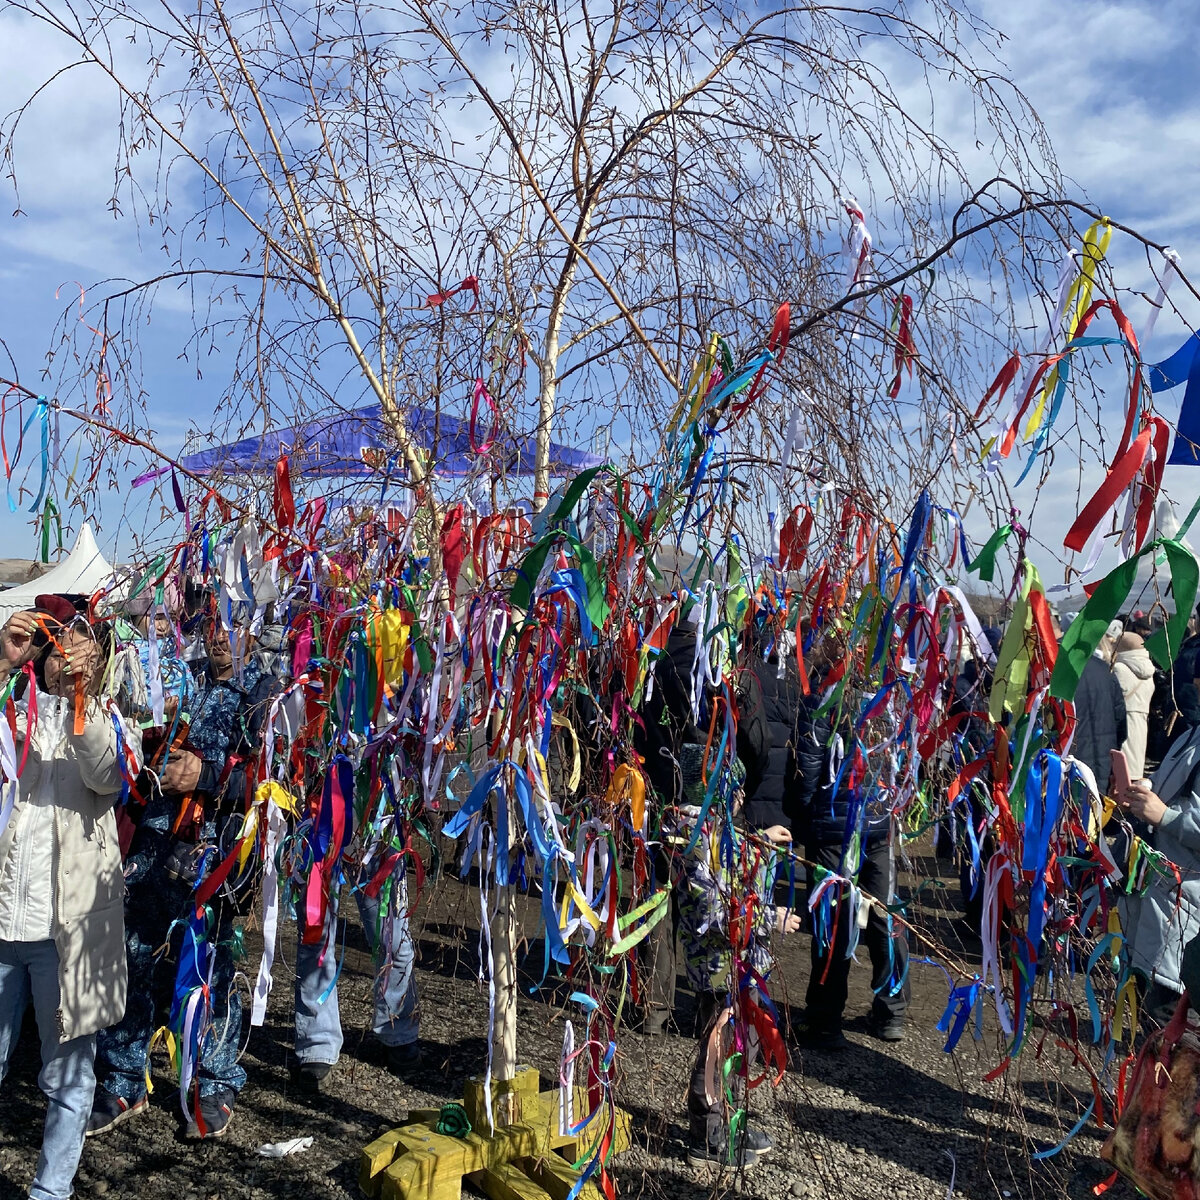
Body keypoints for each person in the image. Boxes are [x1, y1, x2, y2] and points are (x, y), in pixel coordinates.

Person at [90, 613, 276, 1140]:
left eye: (233, 621)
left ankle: (214, 1081)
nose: (220, 634)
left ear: (253, 626)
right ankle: (124, 1075)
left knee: (209, 962)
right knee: (132, 951)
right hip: (154, 846)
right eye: (213, 621)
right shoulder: (178, 676)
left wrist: (208, 776)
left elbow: (277, 779)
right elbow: (138, 739)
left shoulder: (264, 694)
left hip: (216, 856)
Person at [0, 598, 142, 1200]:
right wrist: (4, 658)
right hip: (4, 922)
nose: (62, 653)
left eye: (78, 642)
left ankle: (49, 1192)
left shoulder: (110, 716)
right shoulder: (10, 706)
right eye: (54, 638)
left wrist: (82, 693)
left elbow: (107, 777)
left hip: (68, 932)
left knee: (66, 1077)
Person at [786, 641, 909, 1047]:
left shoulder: (824, 692)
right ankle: (891, 1010)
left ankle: (825, 1019)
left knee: (833, 921)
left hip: (835, 825)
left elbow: (807, 761)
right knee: (883, 913)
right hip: (879, 819)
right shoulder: (893, 692)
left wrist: (804, 816)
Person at [1116, 713, 1200, 1032]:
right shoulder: (1190, 735)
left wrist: (1164, 816)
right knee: (1153, 1024)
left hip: (1186, 917)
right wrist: (1146, 790)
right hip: (1159, 904)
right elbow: (1181, 787)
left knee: (1172, 1032)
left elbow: (1177, 815)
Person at [1113, 616, 1156, 780]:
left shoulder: (1119, 669)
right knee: (1134, 772)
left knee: (1120, 773)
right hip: (1141, 725)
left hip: (1123, 725)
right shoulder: (1149, 672)